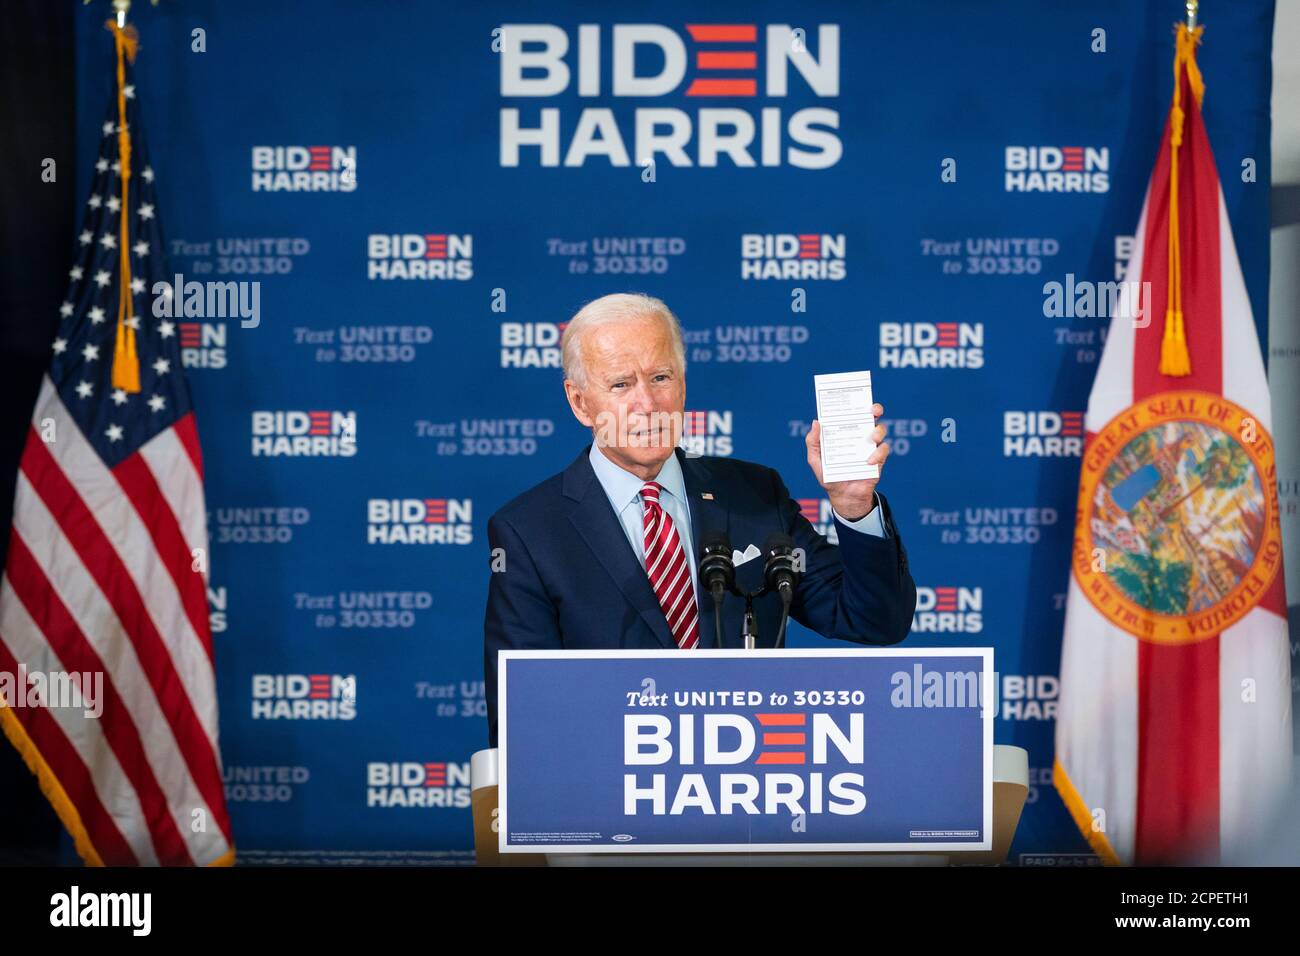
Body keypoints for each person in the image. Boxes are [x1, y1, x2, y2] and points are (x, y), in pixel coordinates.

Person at [483, 293, 915, 746]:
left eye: (660, 377)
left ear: (683, 385)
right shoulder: (530, 532)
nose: (647, 404)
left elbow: (875, 620)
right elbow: (522, 719)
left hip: (748, 793)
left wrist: (853, 507)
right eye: (620, 385)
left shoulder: (753, 494)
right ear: (579, 403)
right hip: (612, 799)